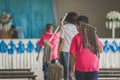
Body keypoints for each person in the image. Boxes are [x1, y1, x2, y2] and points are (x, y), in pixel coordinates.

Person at [69, 15, 103, 80]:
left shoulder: (76, 38)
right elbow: (101, 50)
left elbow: (72, 55)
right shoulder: (94, 35)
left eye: (76, 25)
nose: (76, 27)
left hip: (81, 67)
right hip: (94, 67)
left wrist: (71, 68)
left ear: (79, 26)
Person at [58, 12, 78, 80]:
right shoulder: (77, 28)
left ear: (67, 19)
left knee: (66, 71)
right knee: (73, 70)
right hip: (74, 51)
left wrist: (58, 52)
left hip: (65, 51)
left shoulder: (64, 27)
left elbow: (62, 41)